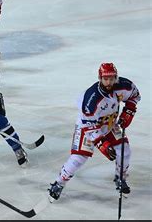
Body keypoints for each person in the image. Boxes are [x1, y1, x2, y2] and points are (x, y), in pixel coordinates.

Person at [48, 63, 140, 202]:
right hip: (88, 126)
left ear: (116, 77)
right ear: (100, 78)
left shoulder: (124, 85)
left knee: (124, 151)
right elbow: (89, 125)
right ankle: (59, 183)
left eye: (111, 78)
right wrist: (102, 144)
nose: (108, 82)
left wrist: (129, 110)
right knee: (78, 158)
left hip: (109, 123)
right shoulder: (91, 99)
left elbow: (134, 95)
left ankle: (120, 178)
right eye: (105, 79)